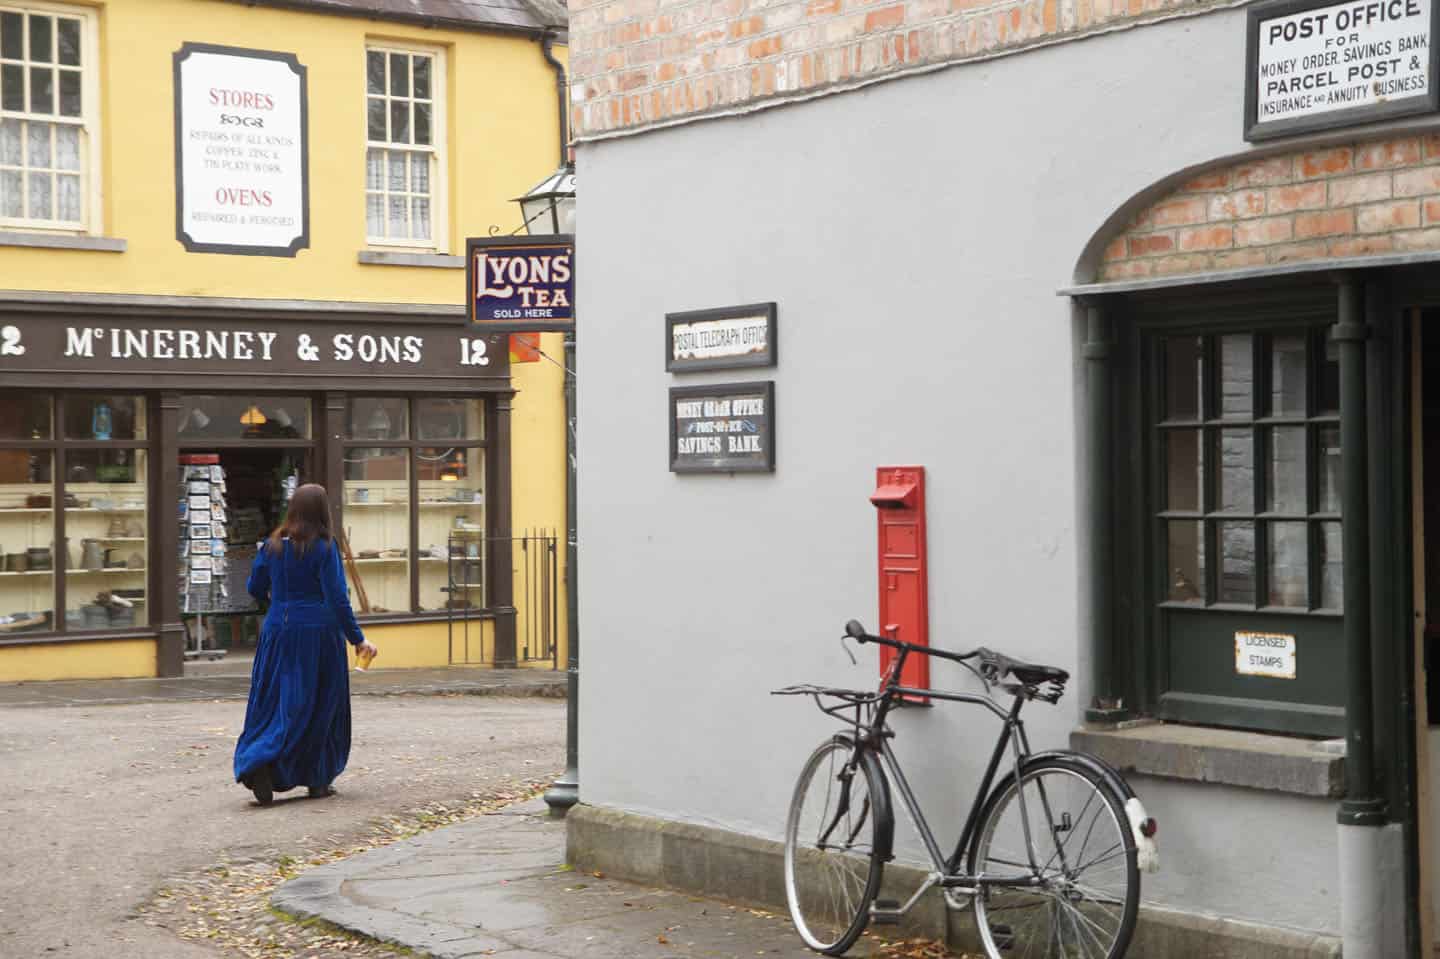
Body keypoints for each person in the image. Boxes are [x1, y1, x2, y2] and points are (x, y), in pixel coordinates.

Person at [233, 483, 378, 806]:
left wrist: (276, 599)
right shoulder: (325, 547)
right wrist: (357, 638)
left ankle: (262, 761)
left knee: (276, 701)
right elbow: (337, 599)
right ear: (323, 511)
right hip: (318, 635)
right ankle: (317, 778)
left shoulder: (272, 545)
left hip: (278, 632)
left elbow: (255, 586)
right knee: (320, 704)